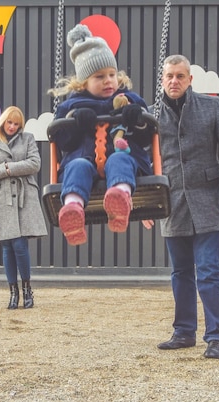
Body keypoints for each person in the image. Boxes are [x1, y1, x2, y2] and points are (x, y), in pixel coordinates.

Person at [143, 55, 219, 359]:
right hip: (170, 204)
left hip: (206, 202)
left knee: (209, 272)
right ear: (161, 80)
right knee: (180, 272)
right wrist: (145, 205)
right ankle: (184, 332)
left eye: (179, 76)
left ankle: (215, 337)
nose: (173, 81)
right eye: (168, 76)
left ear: (190, 80)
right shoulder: (150, 116)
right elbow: (142, 162)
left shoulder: (211, 107)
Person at [48, 24, 153, 246]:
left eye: (112, 75)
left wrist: (137, 118)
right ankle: (73, 210)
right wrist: (75, 123)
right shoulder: (72, 106)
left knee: (120, 159)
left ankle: (120, 197)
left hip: (121, 155)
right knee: (76, 166)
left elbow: (147, 138)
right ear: (83, 82)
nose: (108, 81)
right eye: (99, 76)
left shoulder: (129, 100)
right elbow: (63, 142)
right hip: (84, 159)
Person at [0, 106, 48, 310]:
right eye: (9, 122)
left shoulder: (27, 139)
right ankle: (13, 293)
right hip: (2, 198)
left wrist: (8, 168)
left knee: (19, 244)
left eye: (16, 124)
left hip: (24, 196)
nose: (12, 127)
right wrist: (7, 169)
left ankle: (27, 289)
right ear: (3, 121)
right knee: (7, 246)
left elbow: (35, 164)